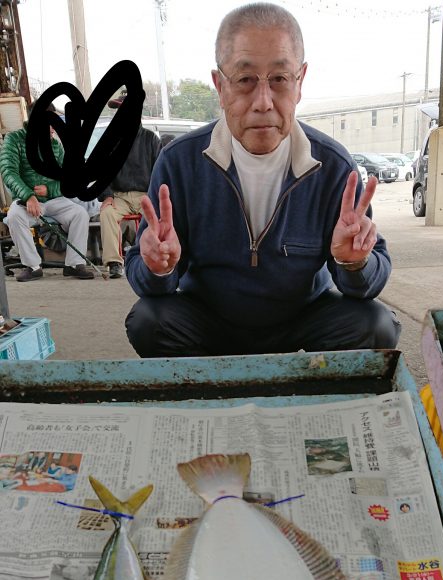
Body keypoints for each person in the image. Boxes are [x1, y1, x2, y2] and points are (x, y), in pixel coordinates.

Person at [125, 2, 400, 358]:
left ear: (300, 82)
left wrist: (354, 263)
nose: (263, 102)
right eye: (245, 80)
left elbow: (370, 279)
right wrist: (159, 267)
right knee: (149, 321)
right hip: (210, 319)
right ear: (220, 86)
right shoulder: (180, 162)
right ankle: (205, 384)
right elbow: (143, 274)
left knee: (376, 326)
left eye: (280, 79)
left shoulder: (332, 166)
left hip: (301, 318)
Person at [0, 102, 94, 282]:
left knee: (79, 214)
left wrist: (49, 189)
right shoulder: (14, 139)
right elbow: (8, 171)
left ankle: (74, 264)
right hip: (26, 201)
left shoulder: (56, 145)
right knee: (14, 216)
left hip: (53, 200)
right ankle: (33, 266)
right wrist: (28, 196)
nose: (54, 128)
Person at [97, 92, 161, 279]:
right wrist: (107, 195)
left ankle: (153, 258)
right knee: (107, 213)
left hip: (146, 194)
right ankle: (114, 263)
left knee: (157, 215)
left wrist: (154, 196)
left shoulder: (151, 139)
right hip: (120, 196)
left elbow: (161, 172)